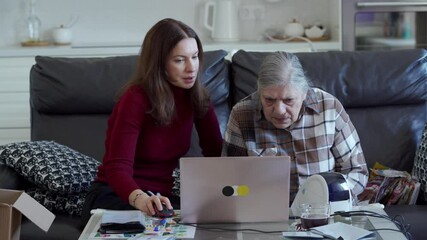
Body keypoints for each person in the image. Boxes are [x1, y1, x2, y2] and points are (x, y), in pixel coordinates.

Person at [82, 18, 223, 224]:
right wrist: (142, 199)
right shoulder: (135, 99)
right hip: (117, 195)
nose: (191, 67)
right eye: (180, 60)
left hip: (160, 198)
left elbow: (216, 153)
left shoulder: (198, 97)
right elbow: (117, 169)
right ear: (159, 63)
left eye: (194, 57)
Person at [222, 52, 368, 204]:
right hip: (266, 212)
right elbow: (229, 181)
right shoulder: (241, 114)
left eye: (289, 100)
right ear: (260, 93)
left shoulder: (329, 108)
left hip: (325, 211)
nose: (279, 110)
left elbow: (357, 172)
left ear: (304, 93)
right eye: (269, 100)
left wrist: (326, 199)